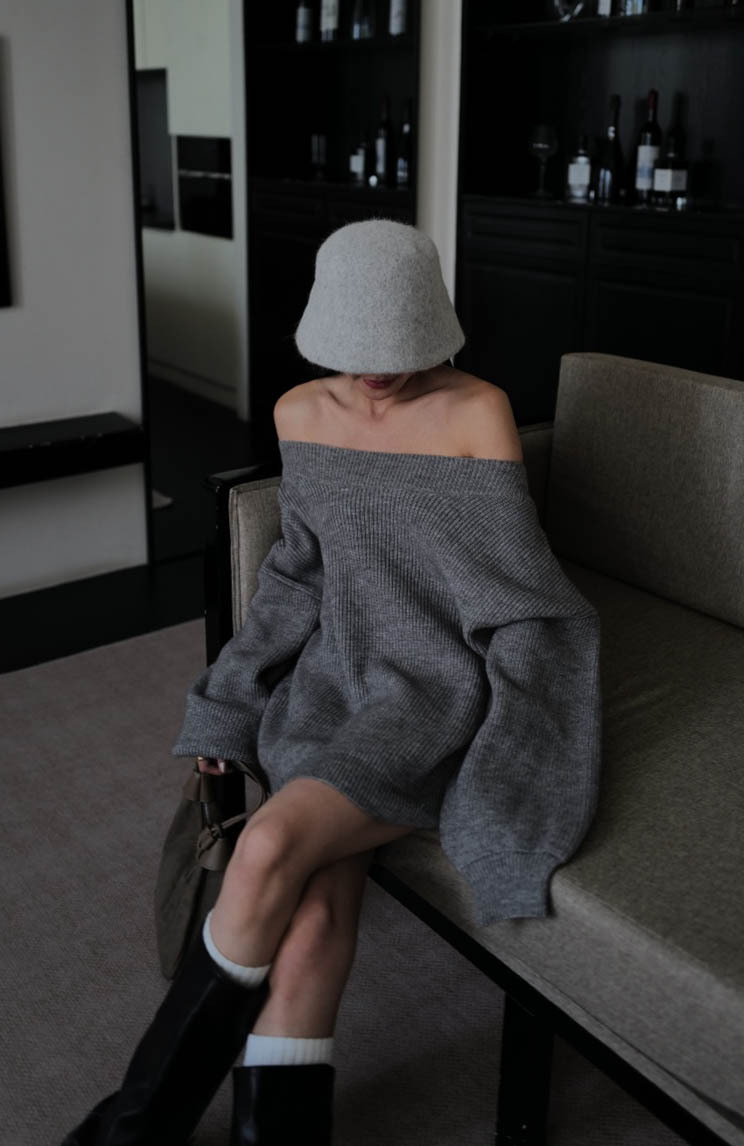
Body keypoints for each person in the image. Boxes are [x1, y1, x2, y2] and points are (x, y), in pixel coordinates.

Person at [61, 218, 602, 1146]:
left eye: (394, 349)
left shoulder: (476, 411)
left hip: (432, 697)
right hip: (329, 685)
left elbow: (522, 600)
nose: (375, 371)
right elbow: (298, 575)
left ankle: (131, 1129)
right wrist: (227, 701)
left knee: (270, 845)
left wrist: (523, 747)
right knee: (310, 922)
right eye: (354, 350)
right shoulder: (300, 413)